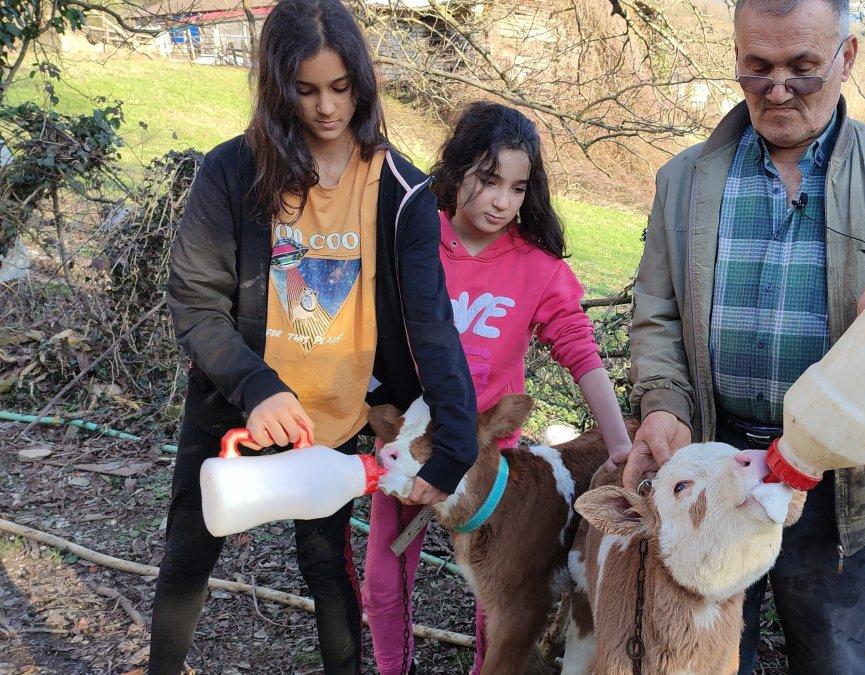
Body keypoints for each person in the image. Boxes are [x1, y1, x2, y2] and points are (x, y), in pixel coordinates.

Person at [622, 0, 865, 672]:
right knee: (700, 659)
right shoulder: (684, 181)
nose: (779, 90)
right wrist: (663, 407)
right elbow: (656, 312)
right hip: (713, 477)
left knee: (837, 662)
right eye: (757, 70)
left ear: (846, 58)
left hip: (838, 489)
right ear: (736, 59)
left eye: (803, 68)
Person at [150, 1, 477, 672]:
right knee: (188, 555)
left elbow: (430, 323)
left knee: (327, 568)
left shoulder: (402, 192)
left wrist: (454, 438)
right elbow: (195, 298)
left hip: (331, 420)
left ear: (361, 82)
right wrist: (257, 386)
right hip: (234, 405)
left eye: (340, 88)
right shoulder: (232, 173)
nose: (327, 108)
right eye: (305, 91)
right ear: (277, 87)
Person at [363, 101, 631, 675]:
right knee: (383, 582)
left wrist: (619, 445)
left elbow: (579, 349)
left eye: (516, 186)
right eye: (487, 180)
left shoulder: (537, 268)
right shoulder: (413, 237)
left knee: (501, 589)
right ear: (457, 169)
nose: (501, 200)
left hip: (486, 453)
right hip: (410, 445)